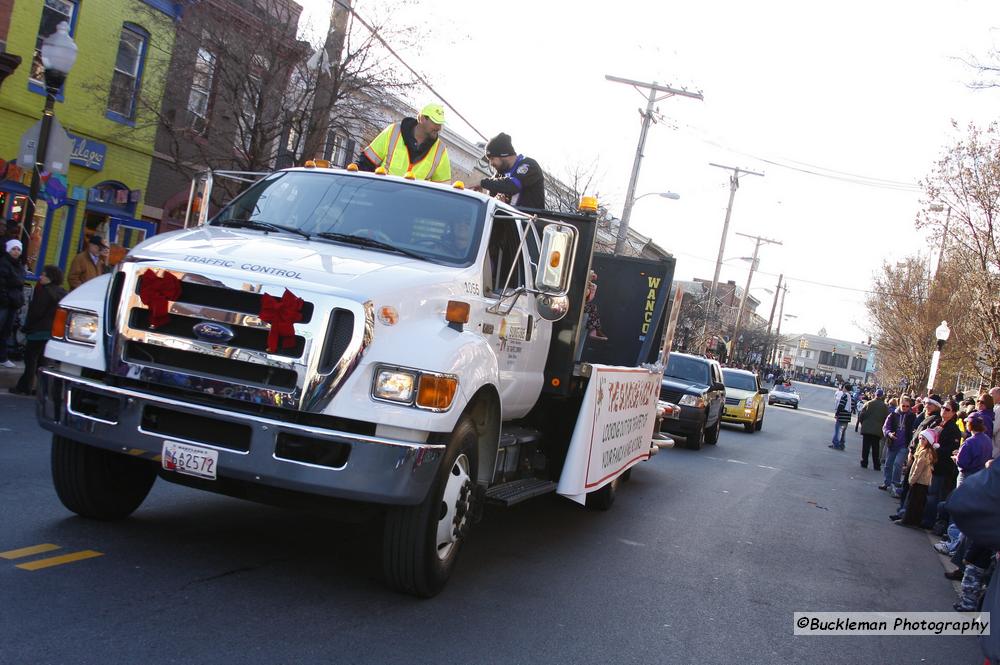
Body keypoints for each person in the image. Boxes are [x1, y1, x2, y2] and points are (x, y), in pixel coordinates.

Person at [354, 103, 451, 182]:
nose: (438, 128)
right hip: (382, 198)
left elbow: (443, 189)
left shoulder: (440, 150)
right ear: (422, 119)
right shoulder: (393, 131)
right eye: (435, 122)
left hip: (413, 204)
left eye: (440, 124)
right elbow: (366, 163)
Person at [10, 265, 65, 395]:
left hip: (37, 331)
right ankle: (41, 388)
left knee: (30, 360)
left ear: (50, 278)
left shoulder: (44, 292)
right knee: (42, 362)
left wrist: (26, 328)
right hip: (50, 333)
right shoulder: (62, 293)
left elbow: (36, 313)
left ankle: (24, 387)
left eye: (44, 275)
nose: (41, 277)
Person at [473, 133, 546, 209]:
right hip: (506, 219)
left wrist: (482, 183)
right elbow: (492, 200)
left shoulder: (529, 165)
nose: (491, 163)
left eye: (492, 159)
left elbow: (512, 185)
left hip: (530, 219)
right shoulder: (499, 174)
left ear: (503, 155)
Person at [921, 399, 962, 530]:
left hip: (941, 465)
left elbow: (952, 449)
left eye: (947, 409)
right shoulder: (937, 422)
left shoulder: (954, 429)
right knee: (927, 492)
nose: (944, 410)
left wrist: (937, 448)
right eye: (943, 407)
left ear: (954, 412)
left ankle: (929, 521)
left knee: (934, 494)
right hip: (928, 462)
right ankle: (922, 516)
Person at [897, 428, 936, 527]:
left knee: (913, 502)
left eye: (924, 439)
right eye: (920, 438)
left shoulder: (924, 453)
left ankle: (907, 520)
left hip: (919, 481)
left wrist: (912, 480)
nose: (921, 440)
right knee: (918, 502)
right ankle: (914, 521)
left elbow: (918, 468)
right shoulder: (924, 450)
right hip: (923, 481)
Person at [0, 238, 26, 368]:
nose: (16, 252)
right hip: (4, 303)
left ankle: (3, 357)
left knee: (6, 330)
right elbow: (2, 283)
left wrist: (19, 301)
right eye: (13, 249)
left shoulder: (19, 266)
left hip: (13, 303)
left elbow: (20, 284)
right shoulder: (4, 264)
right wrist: (4, 299)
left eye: (18, 249)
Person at [881, 396, 916, 492]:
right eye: (903, 405)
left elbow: (915, 428)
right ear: (899, 404)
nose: (905, 408)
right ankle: (886, 482)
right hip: (892, 443)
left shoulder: (912, 416)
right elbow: (885, 427)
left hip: (904, 445)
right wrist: (889, 433)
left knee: (897, 464)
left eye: (907, 406)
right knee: (888, 464)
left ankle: (895, 483)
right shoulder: (892, 415)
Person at [859, 389, 890, 470]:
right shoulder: (884, 406)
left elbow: (861, 415)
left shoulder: (868, 403)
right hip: (877, 430)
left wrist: (863, 424)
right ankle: (876, 465)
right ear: (882, 396)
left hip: (867, 428)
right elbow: (886, 418)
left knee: (865, 447)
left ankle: (864, 462)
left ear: (875, 394)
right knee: (875, 448)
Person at [830, 384, 852, 450]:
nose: (842, 389)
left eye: (843, 387)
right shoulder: (851, 396)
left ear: (845, 388)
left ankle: (836, 444)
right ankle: (842, 444)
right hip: (847, 416)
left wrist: (837, 413)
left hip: (842, 415)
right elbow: (852, 406)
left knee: (837, 430)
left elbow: (841, 405)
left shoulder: (845, 395)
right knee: (843, 431)